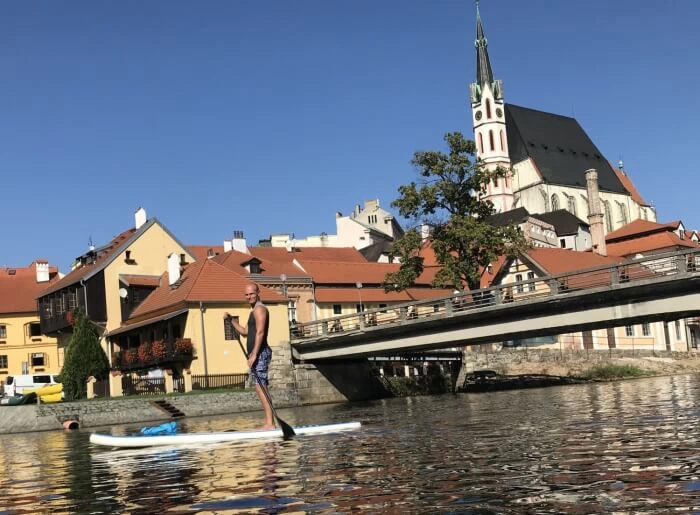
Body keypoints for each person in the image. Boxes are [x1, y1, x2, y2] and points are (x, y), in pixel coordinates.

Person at [225, 283, 274, 430]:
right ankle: (269, 422)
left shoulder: (260, 309)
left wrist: (254, 354)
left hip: (260, 352)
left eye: (251, 294)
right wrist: (231, 320)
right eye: (246, 295)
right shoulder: (253, 311)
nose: (249, 297)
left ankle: (270, 424)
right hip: (255, 353)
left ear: (258, 292)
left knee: (261, 387)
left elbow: (260, 333)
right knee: (259, 388)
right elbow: (245, 331)